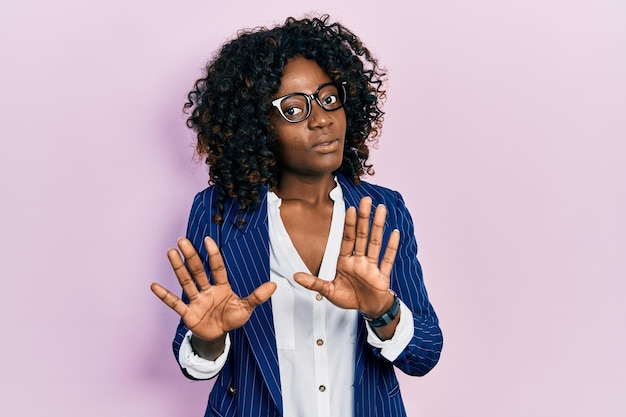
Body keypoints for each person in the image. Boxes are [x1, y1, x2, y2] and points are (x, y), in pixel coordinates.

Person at [150, 14, 443, 417]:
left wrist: (382, 311)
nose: (321, 119)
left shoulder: (384, 211)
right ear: (257, 126)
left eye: (328, 98)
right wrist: (208, 341)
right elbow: (198, 351)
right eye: (293, 109)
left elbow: (424, 355)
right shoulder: (217, 210)